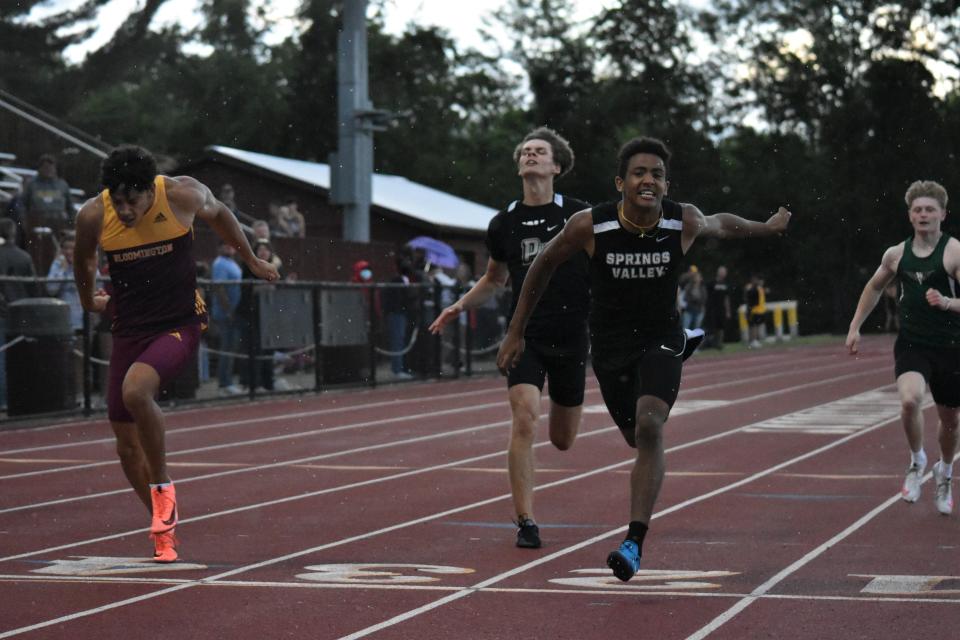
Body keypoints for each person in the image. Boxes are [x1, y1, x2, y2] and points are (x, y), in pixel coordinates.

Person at [497, 136, 791, 580]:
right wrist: (515, 331)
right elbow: (542, 266)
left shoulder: (681, 220)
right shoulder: (589, 226)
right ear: (621, 182)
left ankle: (634, 540)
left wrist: (765, 228)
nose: (648, 180)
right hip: (611, 348)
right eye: (638, 173)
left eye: (656, 174)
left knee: (652, 426)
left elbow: (720, 223)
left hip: (659, 338)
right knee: (636, 438)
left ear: (666, 184)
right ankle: (675, 356)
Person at [73, 145, 279, 563]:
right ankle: (162, 526)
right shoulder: (94, 214)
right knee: (126, 447)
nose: (125, 211)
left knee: (136, 392)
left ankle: (163, 483)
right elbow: (83, 256)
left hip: (179, 321)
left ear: (151, 190)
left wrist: (253, 260)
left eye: (133, 200)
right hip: (129, 324)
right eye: (118, 201)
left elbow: (221, 214)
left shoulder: (182, 194)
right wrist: (86, 299)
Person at [430, 126, 591, 549]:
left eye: (540, 152)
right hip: (526, 336)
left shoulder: (578, 217)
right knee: (523, 417)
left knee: (563, 439)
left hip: (572, 336)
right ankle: (526, 520)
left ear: (557, 166)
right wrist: (460, 305)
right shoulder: (504, 223)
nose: (531, 155)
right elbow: (494, 278)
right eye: (525, 151)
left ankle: (563, 417)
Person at [846, 180, 958, 517]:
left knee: (950, 420)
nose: (924, 214)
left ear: (943, 214)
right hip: (912, 343)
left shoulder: (953, 253)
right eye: (918, 210)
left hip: (951, 347)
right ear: (910, 215)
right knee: (910, 400)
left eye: (930, 209)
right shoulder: (896, 254)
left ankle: (945, 473)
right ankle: (916, 461)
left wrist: (948, 302)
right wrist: (855, 326)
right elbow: (874, 287)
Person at [0, 218, 38, 409]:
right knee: (20, 357)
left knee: (2, 358)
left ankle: (4, 400)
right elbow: (33, 287)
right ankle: (22, 397)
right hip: (21, 311)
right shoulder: (24, 256)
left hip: (3, 312)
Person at [210, 241, 243, 396]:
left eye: (231, 244)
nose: (229, 247)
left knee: (231, 347)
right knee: (227, 347)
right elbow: (219, 288)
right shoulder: (220, 264)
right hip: (226, 313)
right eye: (225, 245)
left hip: (234, 311)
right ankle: (224, 384)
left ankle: (227, 381)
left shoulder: (231, 262)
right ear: (219, 248)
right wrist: (228, 310)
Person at [23, 154, 73, 233]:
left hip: (58, 222)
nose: (48, 170)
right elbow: (24, 204)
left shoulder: (63, 185)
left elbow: (70, 207)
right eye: (45, 167)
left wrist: (70, 222)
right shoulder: (32, 185)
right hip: (37, 221)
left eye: (51, 167)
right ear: (40, 168)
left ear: (55, 169)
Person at [46, 232, 85, 332]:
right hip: (63, 319)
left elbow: (96, 287)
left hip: (83, 319)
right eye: (65, 248)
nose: (68, 252)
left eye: (72, 248)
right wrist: (62, 270)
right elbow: (51, 289)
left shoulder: (86, 263)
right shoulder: (58, 264)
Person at [704, 265, 732, 349]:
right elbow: (706, 295)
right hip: (712, 309)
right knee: (711, 327)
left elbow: (726, 298)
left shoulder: (725, 284)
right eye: (721, 271)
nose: (723, 273)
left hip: (721, 309)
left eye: (724, 272)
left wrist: (728, 310)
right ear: (718, 272)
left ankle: (719, 344)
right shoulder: (711, 283)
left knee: (721, 327)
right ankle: (708, 344)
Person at [744, 274, 767, 347]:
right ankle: (753, 341)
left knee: (754, 325)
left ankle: (753, 341)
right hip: (753, 310)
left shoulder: (759, 288)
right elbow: (749, 297)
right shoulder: (751, 287)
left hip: (758, 310)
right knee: (753, 326)